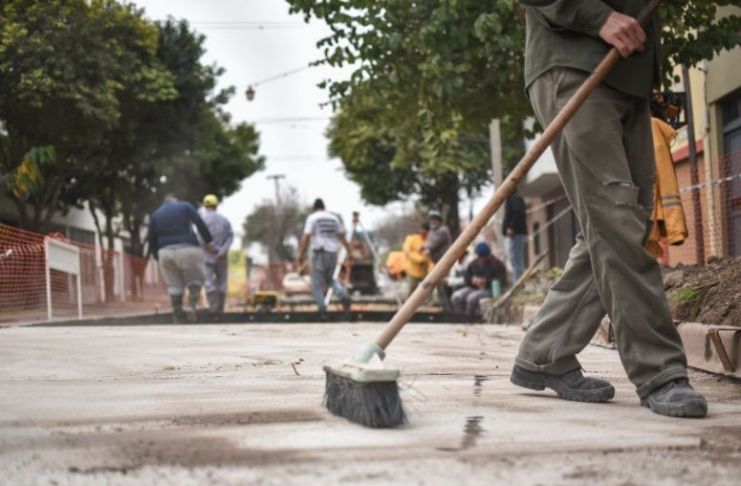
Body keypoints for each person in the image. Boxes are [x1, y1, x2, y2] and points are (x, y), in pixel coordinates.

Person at [513, 1, 706, 418]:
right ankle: (661, 371)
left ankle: (544, 353)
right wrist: (597, 17)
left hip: (629, 74)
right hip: (577, 66)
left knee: (612, 226)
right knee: (618, 225)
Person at [148, 194, 214, 323]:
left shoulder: (156, 214)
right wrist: (208, 240)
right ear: (175, 200)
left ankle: (177, 313)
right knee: (195, 279)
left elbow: (151, 238)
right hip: (188, 248)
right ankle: (190, 305)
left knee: (174, 285)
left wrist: (157, 256)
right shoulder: (185, 206)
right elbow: (199, 222)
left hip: (165, 252)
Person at [296, 198, 352, 313]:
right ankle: (343, 295)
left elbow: (306, 236)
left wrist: (300, 254)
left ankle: (322, 308)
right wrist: (349, 251)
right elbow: (341, 236)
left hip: (319, 253)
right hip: (332, 253)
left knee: (316, 282)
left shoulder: (312, 218)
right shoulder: (334, 218)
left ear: (314, 208)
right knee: (330, 279)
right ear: (324, 207)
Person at [199, 194, 234, 317]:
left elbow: (201, 240)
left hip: (206, 256)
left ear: (205, 205)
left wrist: (212, 250)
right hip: (222, 257)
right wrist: (221, 251)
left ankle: (213, 310)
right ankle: (221, 309)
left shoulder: (202, 220)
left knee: (209, 282)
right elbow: (230, 237)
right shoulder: (224, 220)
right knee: (222, 282)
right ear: (216, 205)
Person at [451, 242, 507, 317]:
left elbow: (501, 280)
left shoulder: (497, 264)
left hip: (489, 289)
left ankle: (469, 318)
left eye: (483, 257)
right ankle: (460, 316)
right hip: (473, 287)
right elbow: (466, 277)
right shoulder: (474, 263)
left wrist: (485, 281)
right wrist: (472, 280)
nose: (481, 259)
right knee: (456, 296)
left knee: (471, 299)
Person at [422, 210, 453, 310]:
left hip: (445, 263)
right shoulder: (432, 231)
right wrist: (425, 247)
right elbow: (428, 243)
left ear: (439, 221)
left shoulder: (443, 230)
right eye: (432, 219)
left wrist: (426, 247)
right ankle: (444, 307)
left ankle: (449, 308)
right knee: (439, 286)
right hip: (437, 263)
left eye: (435, 219)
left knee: (444, 286)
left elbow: (433, 243)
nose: (433, 221)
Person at [502, 191, 528, 282]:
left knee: (516, 259)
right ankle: (517, 281)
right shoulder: (511, 199)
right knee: (514, 259)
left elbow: (519, 212)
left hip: (515, 233)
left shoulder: (514, 198)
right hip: (514, 234)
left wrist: (512, 227)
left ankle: (518, 282)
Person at [402, 223, 431, 297]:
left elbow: (430, 256)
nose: (424, 233)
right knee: (412, 290)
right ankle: (408, 306)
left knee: (427, 290)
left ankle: (428, 306)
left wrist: (431, 266)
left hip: (425, 271)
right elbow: (407, 252)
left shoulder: (429, 240)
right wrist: (420, 260)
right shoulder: (412, 238)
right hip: (413, 270)